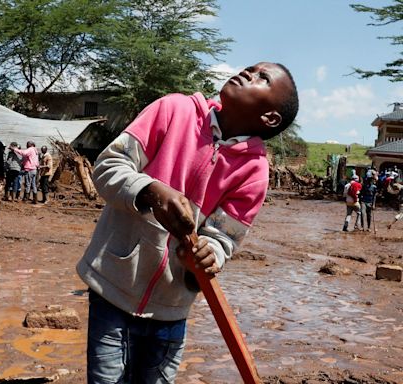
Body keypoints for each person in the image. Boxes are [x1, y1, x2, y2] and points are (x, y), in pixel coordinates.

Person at [76, 62, 299, 383]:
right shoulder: (173, 109)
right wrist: (150, 189)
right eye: (250, 68)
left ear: (270, 118)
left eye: (262, 78)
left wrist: (210, 254)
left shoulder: (254, 171)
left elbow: (226, 237)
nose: (248, 73)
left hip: (172, 309)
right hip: (113, 289)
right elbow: (109, 166)